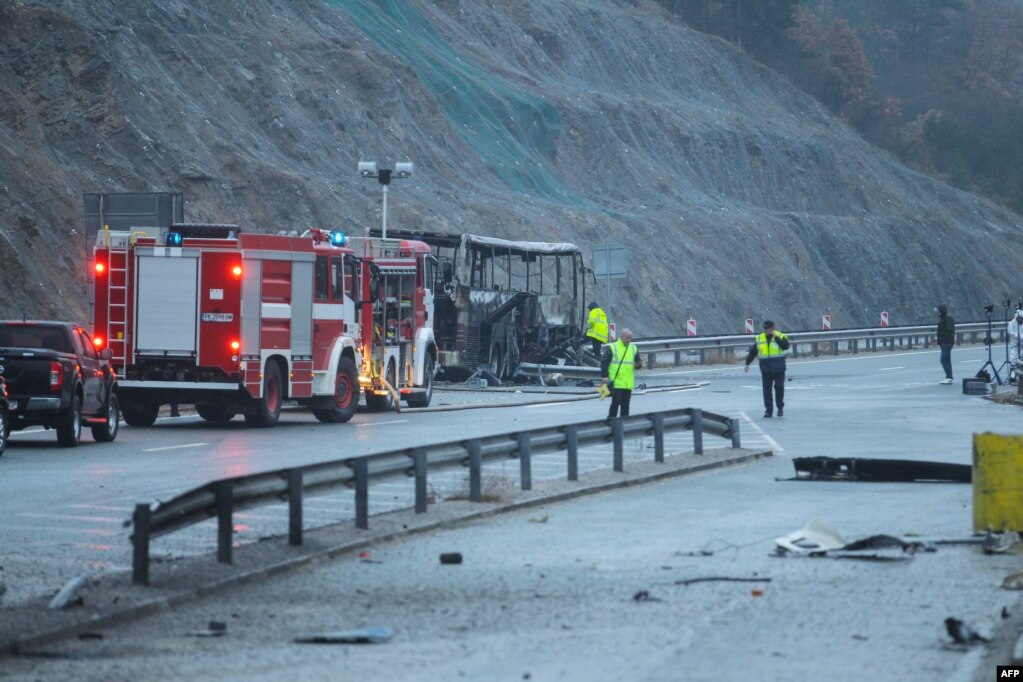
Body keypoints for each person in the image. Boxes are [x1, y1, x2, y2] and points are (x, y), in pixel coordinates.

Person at [744, 320, 790, 418]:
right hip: (766, 368)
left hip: (779, 368)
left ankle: (780, 407)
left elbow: (785, 346)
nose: (765, 330)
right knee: (767, 390)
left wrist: (776, 337)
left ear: (772, 328)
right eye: (764, 328)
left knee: (779, 387)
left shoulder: (780, 335)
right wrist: (747, 363)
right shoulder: (760, 338)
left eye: (766, 328)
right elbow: (753, 351)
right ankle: (768, 411)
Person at [601, 327, 641, 419]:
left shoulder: (633, 348)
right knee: (616, 403)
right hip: (616, 382)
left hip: (628, 383)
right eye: (627, 338)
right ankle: (611, 421)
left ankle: (625, 424)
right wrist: (605, 376)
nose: (629, 340)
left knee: (625, 406)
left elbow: (638, 361)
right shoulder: (613, 347)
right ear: (622, 337)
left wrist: (637, 365)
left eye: (630, 338)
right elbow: (604, 362)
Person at [936, 303, 955, 384]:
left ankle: (949, 377)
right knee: (946, 359)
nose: (937, 313)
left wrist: (945, 340)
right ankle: (949, 377)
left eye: (938, 311)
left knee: (943, 359)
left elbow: (949, 330)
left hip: (947, 342)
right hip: (944, 342)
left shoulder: (948, 318)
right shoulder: (943, 318)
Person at [1008, 307, 1023, 384]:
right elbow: (1010, 332)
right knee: (1013, 360)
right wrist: (1019, 336)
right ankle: (1012, 377)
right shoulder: (1011, 323)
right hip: (1014, 345)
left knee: (1021, 361)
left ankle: (1020, 377)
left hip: (1022, 345)